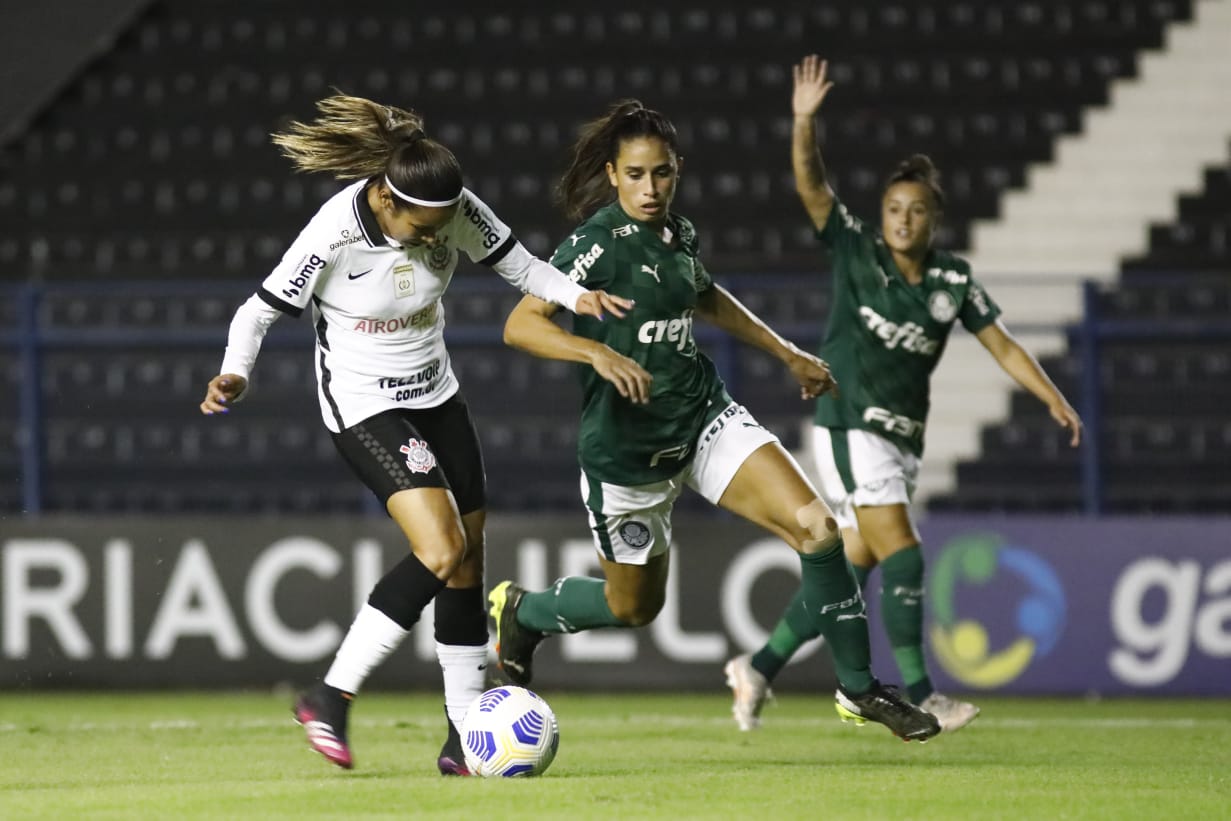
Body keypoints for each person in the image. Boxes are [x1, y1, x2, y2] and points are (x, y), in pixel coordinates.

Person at [198, 94, 630, 772]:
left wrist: (580, 298)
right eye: (421, 226)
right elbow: (255, 313)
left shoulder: (452, 209)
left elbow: (522, 267)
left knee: (466, 559)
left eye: (442, 224)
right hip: (365, 402)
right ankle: (328, 695)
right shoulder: (333, 232)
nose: (437, 237)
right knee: (439, 546)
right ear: (382, 199)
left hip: (437, 393)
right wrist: (235, 375)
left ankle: (462, 735)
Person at [487, 99, 941, 743]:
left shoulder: (682, 235)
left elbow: (705, 297)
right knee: (633, 606)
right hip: (627, 451)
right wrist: (596, 349)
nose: (651, 189)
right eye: (637, 175)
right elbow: (520, 324)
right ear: (614, 176)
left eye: (663, 174)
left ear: (677, 172)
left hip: (703, 417)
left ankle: (858, 687)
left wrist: (786, 353)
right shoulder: (595, 246)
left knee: (818, 528)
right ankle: (525, 613)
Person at [723, 55, 1083, 733]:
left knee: (850, 563)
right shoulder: (857, 250)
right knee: (905, 552)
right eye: (892, 208)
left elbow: (1000, 342)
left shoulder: (952, 279)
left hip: (899, 437)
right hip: (846, 421)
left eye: (915, 211)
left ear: (932, 219)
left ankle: (758, 666)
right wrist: (803, 124)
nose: (901, 219)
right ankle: (922, 692)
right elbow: (812, 187)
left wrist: (1050, 394)